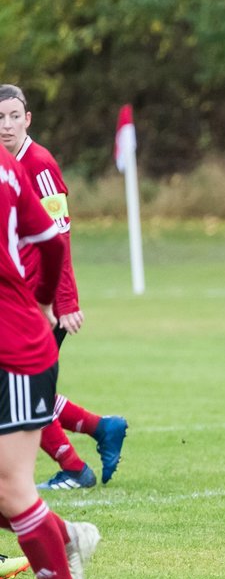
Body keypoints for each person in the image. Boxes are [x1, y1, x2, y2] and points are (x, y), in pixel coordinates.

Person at [0, 84, 128, 491]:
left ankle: (75, 466)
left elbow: (61, 237)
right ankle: (100, 428)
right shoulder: (6, 166)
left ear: (28, 119)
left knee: (20, 392)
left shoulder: (38, 165)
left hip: (41, 304)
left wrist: (63, 301)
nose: (6, 126)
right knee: (21, 390)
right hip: (17, 303)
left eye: (14, 116)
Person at [0, 143, 100, 579]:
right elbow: (49, 241)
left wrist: (44, 300)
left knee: (10, 488)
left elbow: (55, 237)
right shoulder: (10, 167)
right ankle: (66, 534)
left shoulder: (20, 167)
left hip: (13, 349)